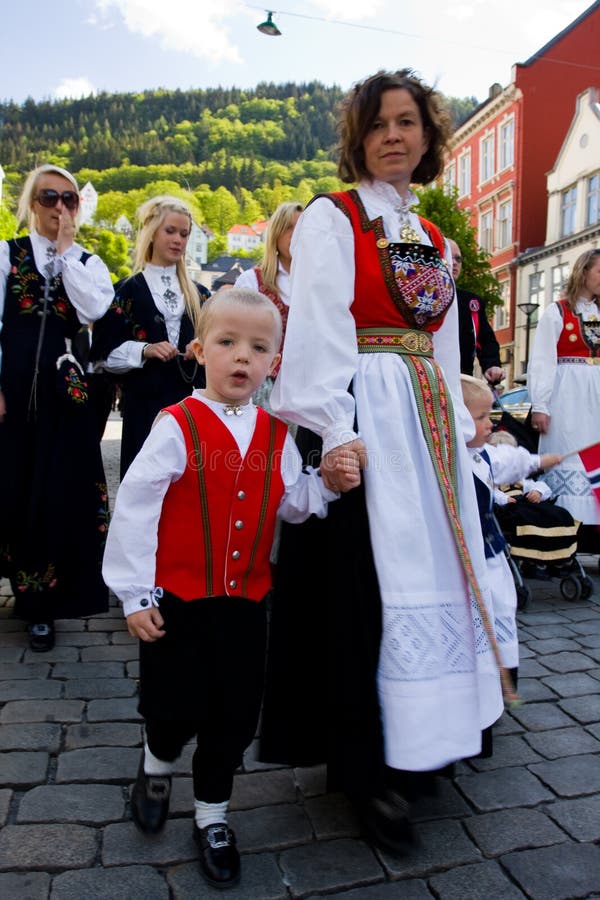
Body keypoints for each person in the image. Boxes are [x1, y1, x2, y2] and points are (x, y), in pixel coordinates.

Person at [259, 69, 508, 854]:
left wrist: (462, 404)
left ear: (429, 136)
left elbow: (441, 342)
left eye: (408, 122)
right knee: (366, 593)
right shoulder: (335, 220)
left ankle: (424, 739)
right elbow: (319, 332)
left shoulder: (431, 235)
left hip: (427, 419)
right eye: (379, 126)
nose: (394, 136)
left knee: (435, 575)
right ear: (358, 140)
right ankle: (369, 769)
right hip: (368, 415)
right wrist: (336, 431)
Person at [102, 288, 352, 888]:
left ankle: (213, 814)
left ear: (275, 362)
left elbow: (292, 504)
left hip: (244, 605)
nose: (243, 357)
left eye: (259, 347)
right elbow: (135, 510)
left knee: (234, 716)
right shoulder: (176, 425)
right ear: (199, 350)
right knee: (170, 706)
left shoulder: (276, 433)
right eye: (228, 342)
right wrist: (136, 595)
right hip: (178, 603)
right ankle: (157, 763)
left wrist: (330, 486)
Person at [0, 163, 113, 651]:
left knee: (57, 493)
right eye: (50, 198)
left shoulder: (87, 261)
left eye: (70, 199)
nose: (61, 208)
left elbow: (93, 311)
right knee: (13, 486)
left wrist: (66, 251)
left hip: (65, 393)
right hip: (14, 384)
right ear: (31, 202)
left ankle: (43, 603)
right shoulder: (7, 254)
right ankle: (20, 589)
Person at [91, 195, 206, 479]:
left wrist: (200, 348)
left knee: (188, 485)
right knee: (143, 486)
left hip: (191, 406)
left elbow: (222, 346)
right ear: (151, 232)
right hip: (144, 407)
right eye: (170, 231)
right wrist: (144, 350)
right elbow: (103, 356)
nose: (178, 239)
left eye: (184, 233)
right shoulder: (126, 291)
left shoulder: (201, 295)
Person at [461, 375, 561, 689]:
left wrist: (540, 460)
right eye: (480, 418)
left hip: (492, 554)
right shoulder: (453, 461)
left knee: (503, 606)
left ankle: (505, 679)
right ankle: (479, 678)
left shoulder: (485, 457)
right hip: (467, 558)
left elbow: (511, 461)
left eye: (489, 415)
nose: (490, 424)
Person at [528, 248, 600, 543]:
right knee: (572, 455)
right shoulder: (556, 312)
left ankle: (593, 536)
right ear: (583, 272)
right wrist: (540, 405)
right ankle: (564, 533)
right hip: (568, 398)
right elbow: (542, 361)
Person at [235, 201, 303, 409]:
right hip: (263, 384)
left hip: (307, 385)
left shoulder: (318, 283)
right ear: (276, 233)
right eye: (288, 227)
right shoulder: (252, 281)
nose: (295, 234)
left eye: (300, 228)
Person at [489, 429, 580, 580]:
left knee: (558, 514)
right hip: (508, 508)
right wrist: (503, 498)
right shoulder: (491, 478)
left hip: (526, 503)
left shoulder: (520, 478)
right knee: (527, 518)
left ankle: (561, 559)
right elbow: (489, 492)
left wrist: (537, 492)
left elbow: (538, 485)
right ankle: (535, 562)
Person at [448, 238, 504, 382]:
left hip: (462, 380)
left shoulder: (470, 302)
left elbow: (485, 340)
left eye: (458, 259)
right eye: (448, 256)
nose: (454, 263)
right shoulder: (422, 299)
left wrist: (492, 365)